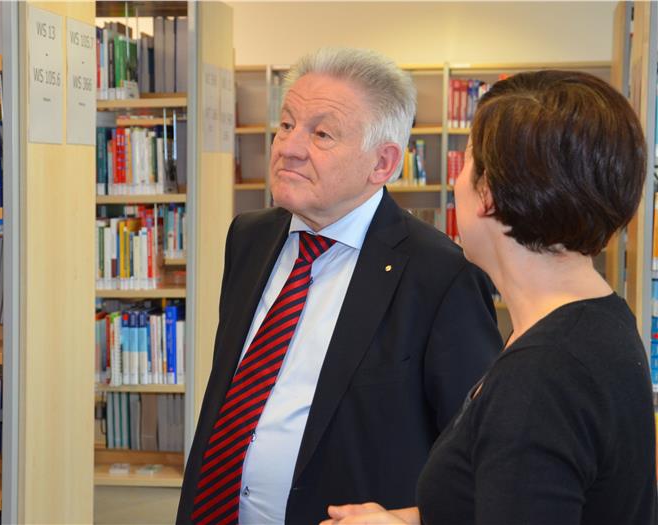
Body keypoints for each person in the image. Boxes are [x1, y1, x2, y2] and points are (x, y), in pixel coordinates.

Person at [176, 47, 502, 525]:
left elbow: (479, 456)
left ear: (382, 164)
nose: (288, 147)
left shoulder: (442, 276)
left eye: (321, 134)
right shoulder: (248, 237)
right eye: (286, 125)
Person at [325, 70, 658, 525]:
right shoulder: (597, 319)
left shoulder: (542, 376)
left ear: (489, 194)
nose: (458, 183)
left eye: (467, 164)